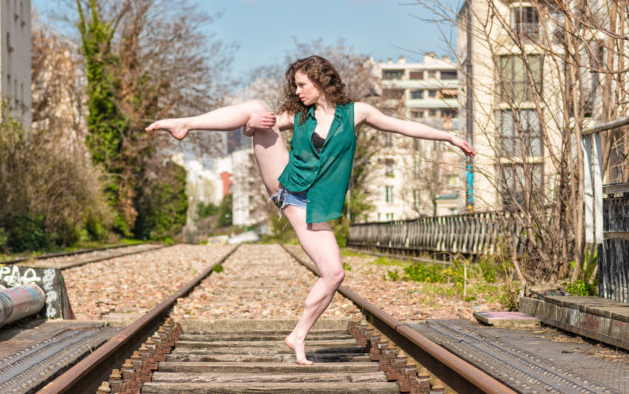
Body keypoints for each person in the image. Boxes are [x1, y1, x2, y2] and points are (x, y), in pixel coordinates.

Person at [145, 55, 474, 365]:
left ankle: (298, 335)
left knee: (334, 273)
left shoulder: (356, 112)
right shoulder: (298, 115)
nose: (297, 91)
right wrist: (250, 126)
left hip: (314, 203)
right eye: (296, 86)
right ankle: (185, 124)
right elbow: (254, 129)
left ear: (322, 80)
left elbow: (402, 126)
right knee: (256, 109)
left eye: (303, 84)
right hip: (286, 183)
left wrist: (448, 136)